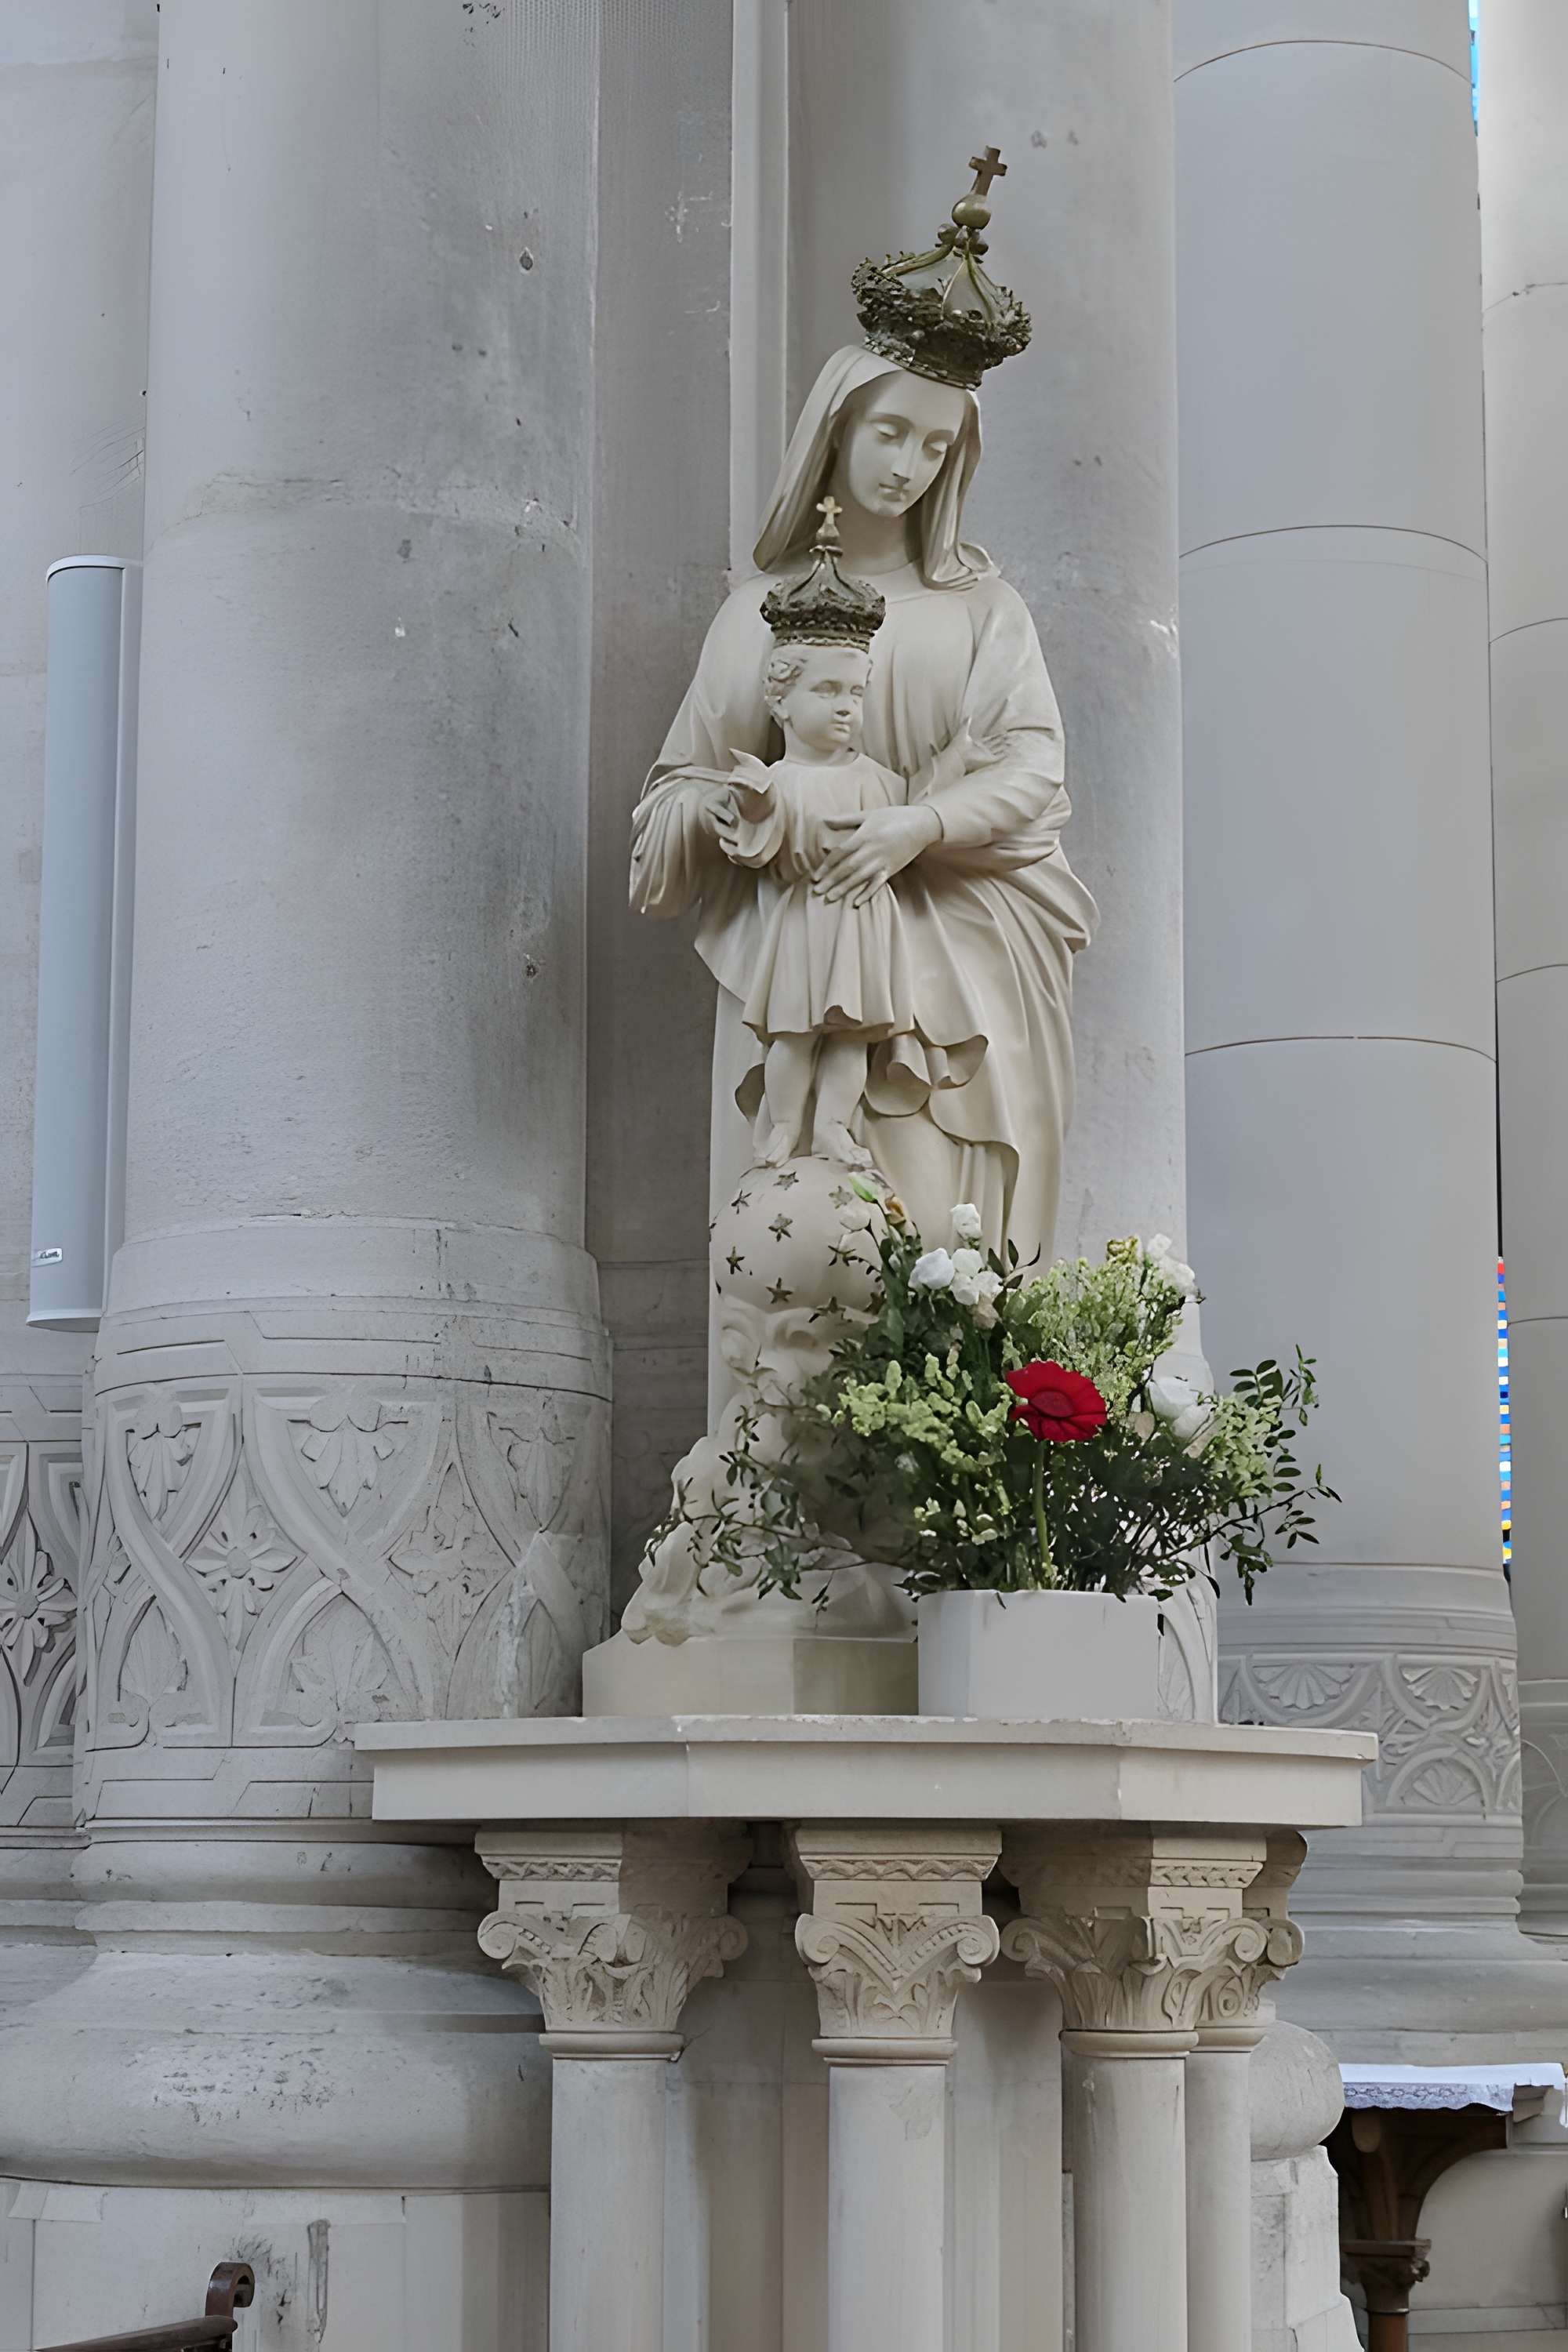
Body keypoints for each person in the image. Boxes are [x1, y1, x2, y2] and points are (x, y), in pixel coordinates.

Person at [630, 155, 1097, 1279]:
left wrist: (913, 829)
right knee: (804, 1239)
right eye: (892, 432)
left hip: (966, 970)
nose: (908, 465)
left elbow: (1033, 772)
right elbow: (679, 793)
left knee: (940, 1246)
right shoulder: (761, 615)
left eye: (937, 446)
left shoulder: (984, 609)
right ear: (837, 425)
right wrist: (744, 811)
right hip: (802, 949)